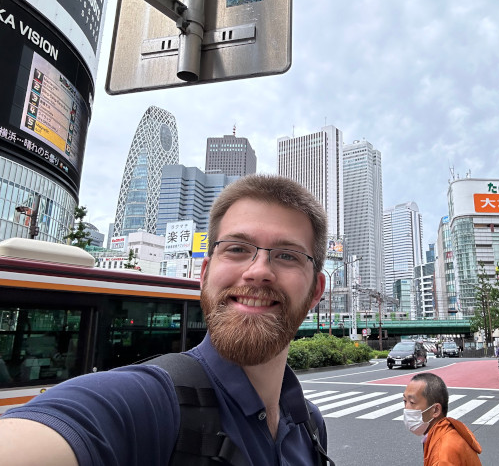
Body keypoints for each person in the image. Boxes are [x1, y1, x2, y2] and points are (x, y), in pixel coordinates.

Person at [0, 175, 331, 466]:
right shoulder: (143, 404)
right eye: (237, 249)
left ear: (316, 290)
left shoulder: (309, 424)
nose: (258, 271)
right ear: (204, 274)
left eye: (288, 255)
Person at [403, 373, 482, 465]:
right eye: (405, 401)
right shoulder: (443, 433)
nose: (406, 408)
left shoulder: (442, 455)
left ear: (436, 410)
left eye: (412, 402)